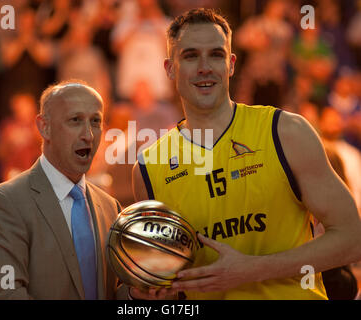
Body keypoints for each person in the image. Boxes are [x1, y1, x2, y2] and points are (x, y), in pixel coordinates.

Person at [131, 8, 361, 300]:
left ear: (231, 64)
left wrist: (252, 269)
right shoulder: (148, 167)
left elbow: (352, 238)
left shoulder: (286, 131)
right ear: (169, 68)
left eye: (216, 54)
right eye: (190, 56)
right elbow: (163, 277)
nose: (205, 67)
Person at [0, 80, 125, 300]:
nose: (89, 135)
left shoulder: (110, 207)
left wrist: (135, 296)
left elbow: (113, 291)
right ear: (44, 126)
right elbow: (3, 295)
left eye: (95, 121)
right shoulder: (2, 203)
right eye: (75, 120)